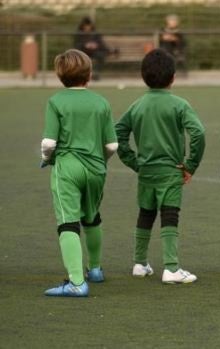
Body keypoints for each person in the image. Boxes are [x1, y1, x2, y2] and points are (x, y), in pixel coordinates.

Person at [115, 49, 205, 284]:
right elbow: (198, 133)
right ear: (173, 77)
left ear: (143, 76)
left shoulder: (137, 105)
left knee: (145, 213)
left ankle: (139, 263)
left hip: (146, 171)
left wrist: (133, 161)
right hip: (171, 170)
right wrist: (191, 165)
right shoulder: (179, 104)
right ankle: (171, 267)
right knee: (169, 214)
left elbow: (118, 132)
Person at [41, 49, 118, 297]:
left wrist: (46, 159)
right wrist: (99, 162)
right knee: (92, 217)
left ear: (59, 75)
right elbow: (112, 146)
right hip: (97, 168)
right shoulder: (101, 102)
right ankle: (94, 270)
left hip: (67, 167)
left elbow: (49, 143)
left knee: (68, 223)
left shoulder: (56, 101)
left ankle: (76, 282)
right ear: (89, 73)